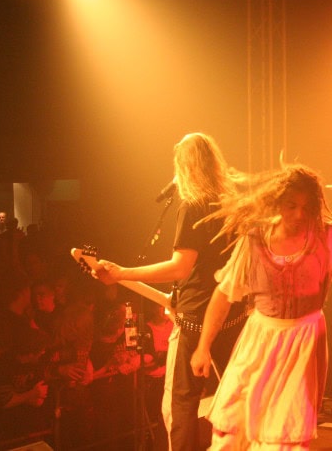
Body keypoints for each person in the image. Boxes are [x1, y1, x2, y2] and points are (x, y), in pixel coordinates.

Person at [190, 164, 332, 451]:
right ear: (277, 203)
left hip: (303, 339)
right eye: (291, 205)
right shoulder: (255, 239)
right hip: (260, 338)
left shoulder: (326, 235)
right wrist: (203, 347)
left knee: (283, 436)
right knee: (232, 429)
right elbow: (224, 293)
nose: (299, 214)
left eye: (307, 208)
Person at [93, 132, 246, 451]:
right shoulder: (232, 203)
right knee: (236, 399)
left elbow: (180, 267)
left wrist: (121, 273)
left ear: (184, 166)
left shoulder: (193, 205)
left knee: (179, 407)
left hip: (195, 321)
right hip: (231, 314)